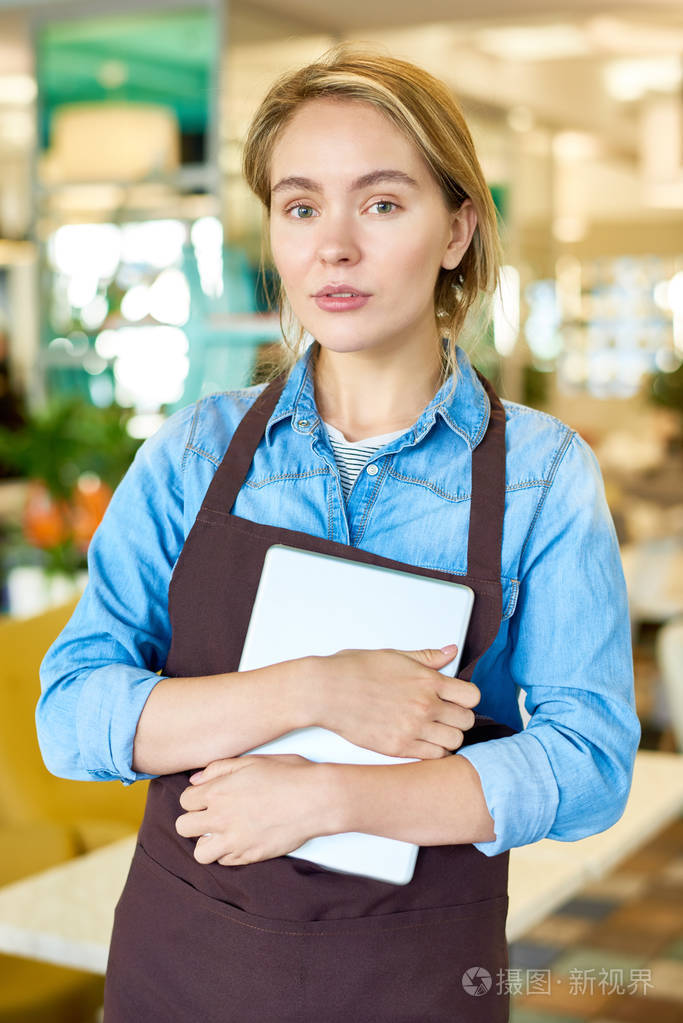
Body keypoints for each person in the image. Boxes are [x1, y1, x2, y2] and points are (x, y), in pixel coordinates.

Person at [37, 46, 639, 1022]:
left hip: (416, 981)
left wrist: (330, 797)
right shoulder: (192, 452)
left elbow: (589, 763)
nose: (334, 247)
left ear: (457, 228)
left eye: (383, 203)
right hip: (187, 968)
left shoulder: (539, 473)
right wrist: (312, 690)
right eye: (300, 205)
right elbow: (70, 713)